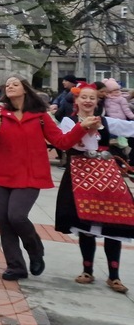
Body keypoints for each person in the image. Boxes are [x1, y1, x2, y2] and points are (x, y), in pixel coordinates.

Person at [0, 76, 94, 281]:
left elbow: (61, 141)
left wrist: (81, 127)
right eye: (8, 85)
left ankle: (35, 248)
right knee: (4, 222)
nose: (10, 86)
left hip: (29, 176)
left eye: (15, 83)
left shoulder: (40, 115)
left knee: (17, 216)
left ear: (25, 89)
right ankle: (16, 266)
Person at [55, 83, 134, 293]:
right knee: (86, 225)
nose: (88, 101)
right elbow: (68, 143)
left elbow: (130, 127)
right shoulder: (68, 121)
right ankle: (87, 270)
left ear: (97, 101)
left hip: (107, 175)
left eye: (92, 98)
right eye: (84, 97)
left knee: (114, 223)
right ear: (77, 101)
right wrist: (83, 127)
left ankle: (114, 276)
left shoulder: (106, 121)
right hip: (80, 174)